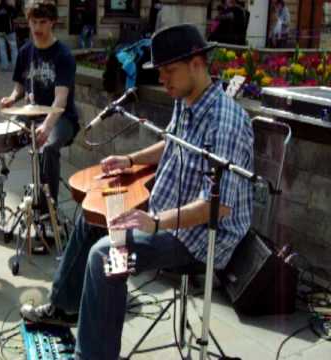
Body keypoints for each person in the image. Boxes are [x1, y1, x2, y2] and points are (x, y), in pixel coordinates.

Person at [20, 24, 254, 360]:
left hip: (198, 236)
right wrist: (129, 159)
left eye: (169, 71)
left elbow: (220, 207)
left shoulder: (225, 122)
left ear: (198, 63)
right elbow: (170, 143)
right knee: (95, 214)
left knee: (106, 255)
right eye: (160, 72)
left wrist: (155, 222)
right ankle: (64, 306)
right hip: (166, 210)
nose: (163, 80)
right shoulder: (188, 99)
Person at [0, 0, 78, 223]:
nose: (37, 28)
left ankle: (48, 214)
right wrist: (11, 98)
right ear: (27, 22)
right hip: (30, 115)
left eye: (43, 22)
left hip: (61, 119)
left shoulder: (63, 55)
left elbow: (61, 99)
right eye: (33, 22)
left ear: (53, 23)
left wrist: (47, 126)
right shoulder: (24, 52)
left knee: (48, 146)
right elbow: (20, 86)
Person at [0, 0, 19, 72]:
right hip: (10, 31)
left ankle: (4, 66)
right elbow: (15, 15)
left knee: (2, 49)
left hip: (0, 32)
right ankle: (16, 66)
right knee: (13, 49)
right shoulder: (10, 8)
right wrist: (13, 6)